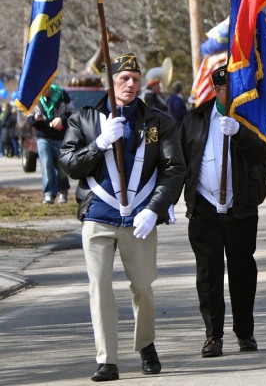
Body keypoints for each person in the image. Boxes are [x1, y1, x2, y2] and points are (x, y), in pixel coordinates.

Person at [59, 53, 185, 382]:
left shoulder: (159, 121)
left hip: (139, 216)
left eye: (134, 78)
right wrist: (98, 144)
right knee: (99, 287)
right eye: (122, 79)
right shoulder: (84, 119)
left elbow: (173, 170)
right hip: (98, 215)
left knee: (142, 287)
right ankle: (106, 359)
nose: (130, 84)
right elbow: (69, 163)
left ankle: (145, 344)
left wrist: (155, 209)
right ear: (109, 83)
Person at [179, 65, 266, 358]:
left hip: (240, 207)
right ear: (215, 89)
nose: (227, 93)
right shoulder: (195, 119)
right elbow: (179, 164)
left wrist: (240, 132)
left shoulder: (252, 118)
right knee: (208, 273)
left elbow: (264, 152)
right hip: (205, 206)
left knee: (242, 272)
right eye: (222, 89)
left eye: (233, 88)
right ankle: (213, 335)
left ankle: (245, 332)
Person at [31, 83, 73, 204]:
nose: (44, 92)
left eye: (46, 88)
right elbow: (29, 116)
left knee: (61, 166)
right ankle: (49, 193)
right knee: (46, 163)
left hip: (60, 136)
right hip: (43, 136)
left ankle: (63, 190)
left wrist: (62, 119)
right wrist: (35, 119)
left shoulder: (62, 94)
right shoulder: (35, 97)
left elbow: (71, 111)